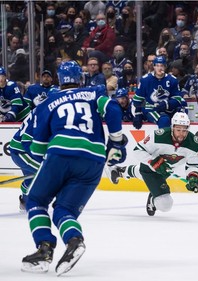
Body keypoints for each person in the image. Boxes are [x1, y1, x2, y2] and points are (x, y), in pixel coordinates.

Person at [20, 61, 128, 275]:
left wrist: (45, 164)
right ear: (80, 79)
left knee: (36, 200)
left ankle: (44, 249)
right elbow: (113, 109)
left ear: (59, 80)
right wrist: (115, 140)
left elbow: (37, 147)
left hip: (60, 153)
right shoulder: (94, 92)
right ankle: (74, 241)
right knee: (64, 210)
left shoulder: (48, 101)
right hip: (94, 161)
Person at [109, 112, 198, 216]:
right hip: (149, 167)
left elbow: (194, 164)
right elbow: (137, 150)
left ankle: (121, 171)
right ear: (172, 128)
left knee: (145, 175)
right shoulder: (159, 135)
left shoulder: (194, 143)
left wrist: (193, 176)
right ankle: (153, 199)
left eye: (184, 130)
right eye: (178, 130)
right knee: (165, 204)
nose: (181, 133)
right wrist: (154, 162)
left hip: (167, 169)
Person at [132, 56, 186, 130]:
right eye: (157, 65)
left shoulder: (172, 80)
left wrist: (166, 104)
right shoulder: (145, 80)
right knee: (164, 120)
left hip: (168, 109)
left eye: (162, 66)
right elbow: (137, 100)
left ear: (165, 67)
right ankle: (164, 141)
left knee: (182, 113)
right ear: (154, 66)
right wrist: (138, 114)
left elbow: (177, 99)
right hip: (151, 109)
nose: (159, 68)